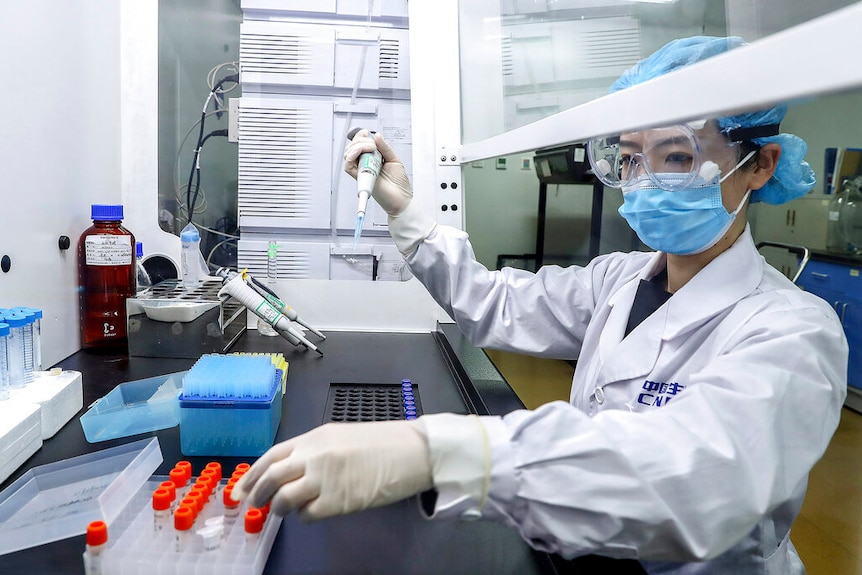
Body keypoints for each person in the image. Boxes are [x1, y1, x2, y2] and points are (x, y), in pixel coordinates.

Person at [232, 36, 848, 573]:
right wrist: (407, 211)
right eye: (631, 158)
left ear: (760, 165)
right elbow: (497, 302)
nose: (645, 181)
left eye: (678, 157)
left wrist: (443, 453)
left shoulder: (794, 331)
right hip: (584, 556)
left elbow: (701, 474)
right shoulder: (619, 279)